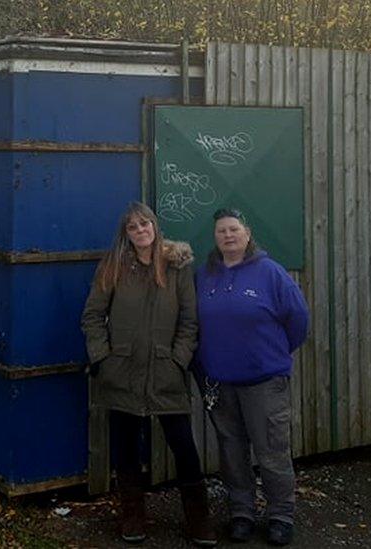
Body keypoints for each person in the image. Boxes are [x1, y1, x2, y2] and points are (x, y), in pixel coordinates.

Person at [81, 202, 217, 546]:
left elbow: (189, 321)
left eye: (145, 225)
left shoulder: (177, 268)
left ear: (155, 227)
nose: (140, 231)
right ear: (125, 234)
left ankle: (199, 520)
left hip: (165, 373)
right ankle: (132, 515)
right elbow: (93, 316)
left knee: (184, 447)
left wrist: (178, 360)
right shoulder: (113, 267)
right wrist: (102, 358)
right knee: (125, 449)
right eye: (133, 227)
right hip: (121, 373)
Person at [194, 208, 309, 546]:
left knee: (271, 452)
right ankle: (241, 513)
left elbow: (298, 320)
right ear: (215, 238)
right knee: (232, 453)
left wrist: (272, 353)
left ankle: (280, 516)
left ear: (247, 233)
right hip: (220, 383)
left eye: (233, 229)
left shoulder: (270, 273)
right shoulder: (205, 275)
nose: (228, 236)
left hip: (264, 383)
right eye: (221, 231)